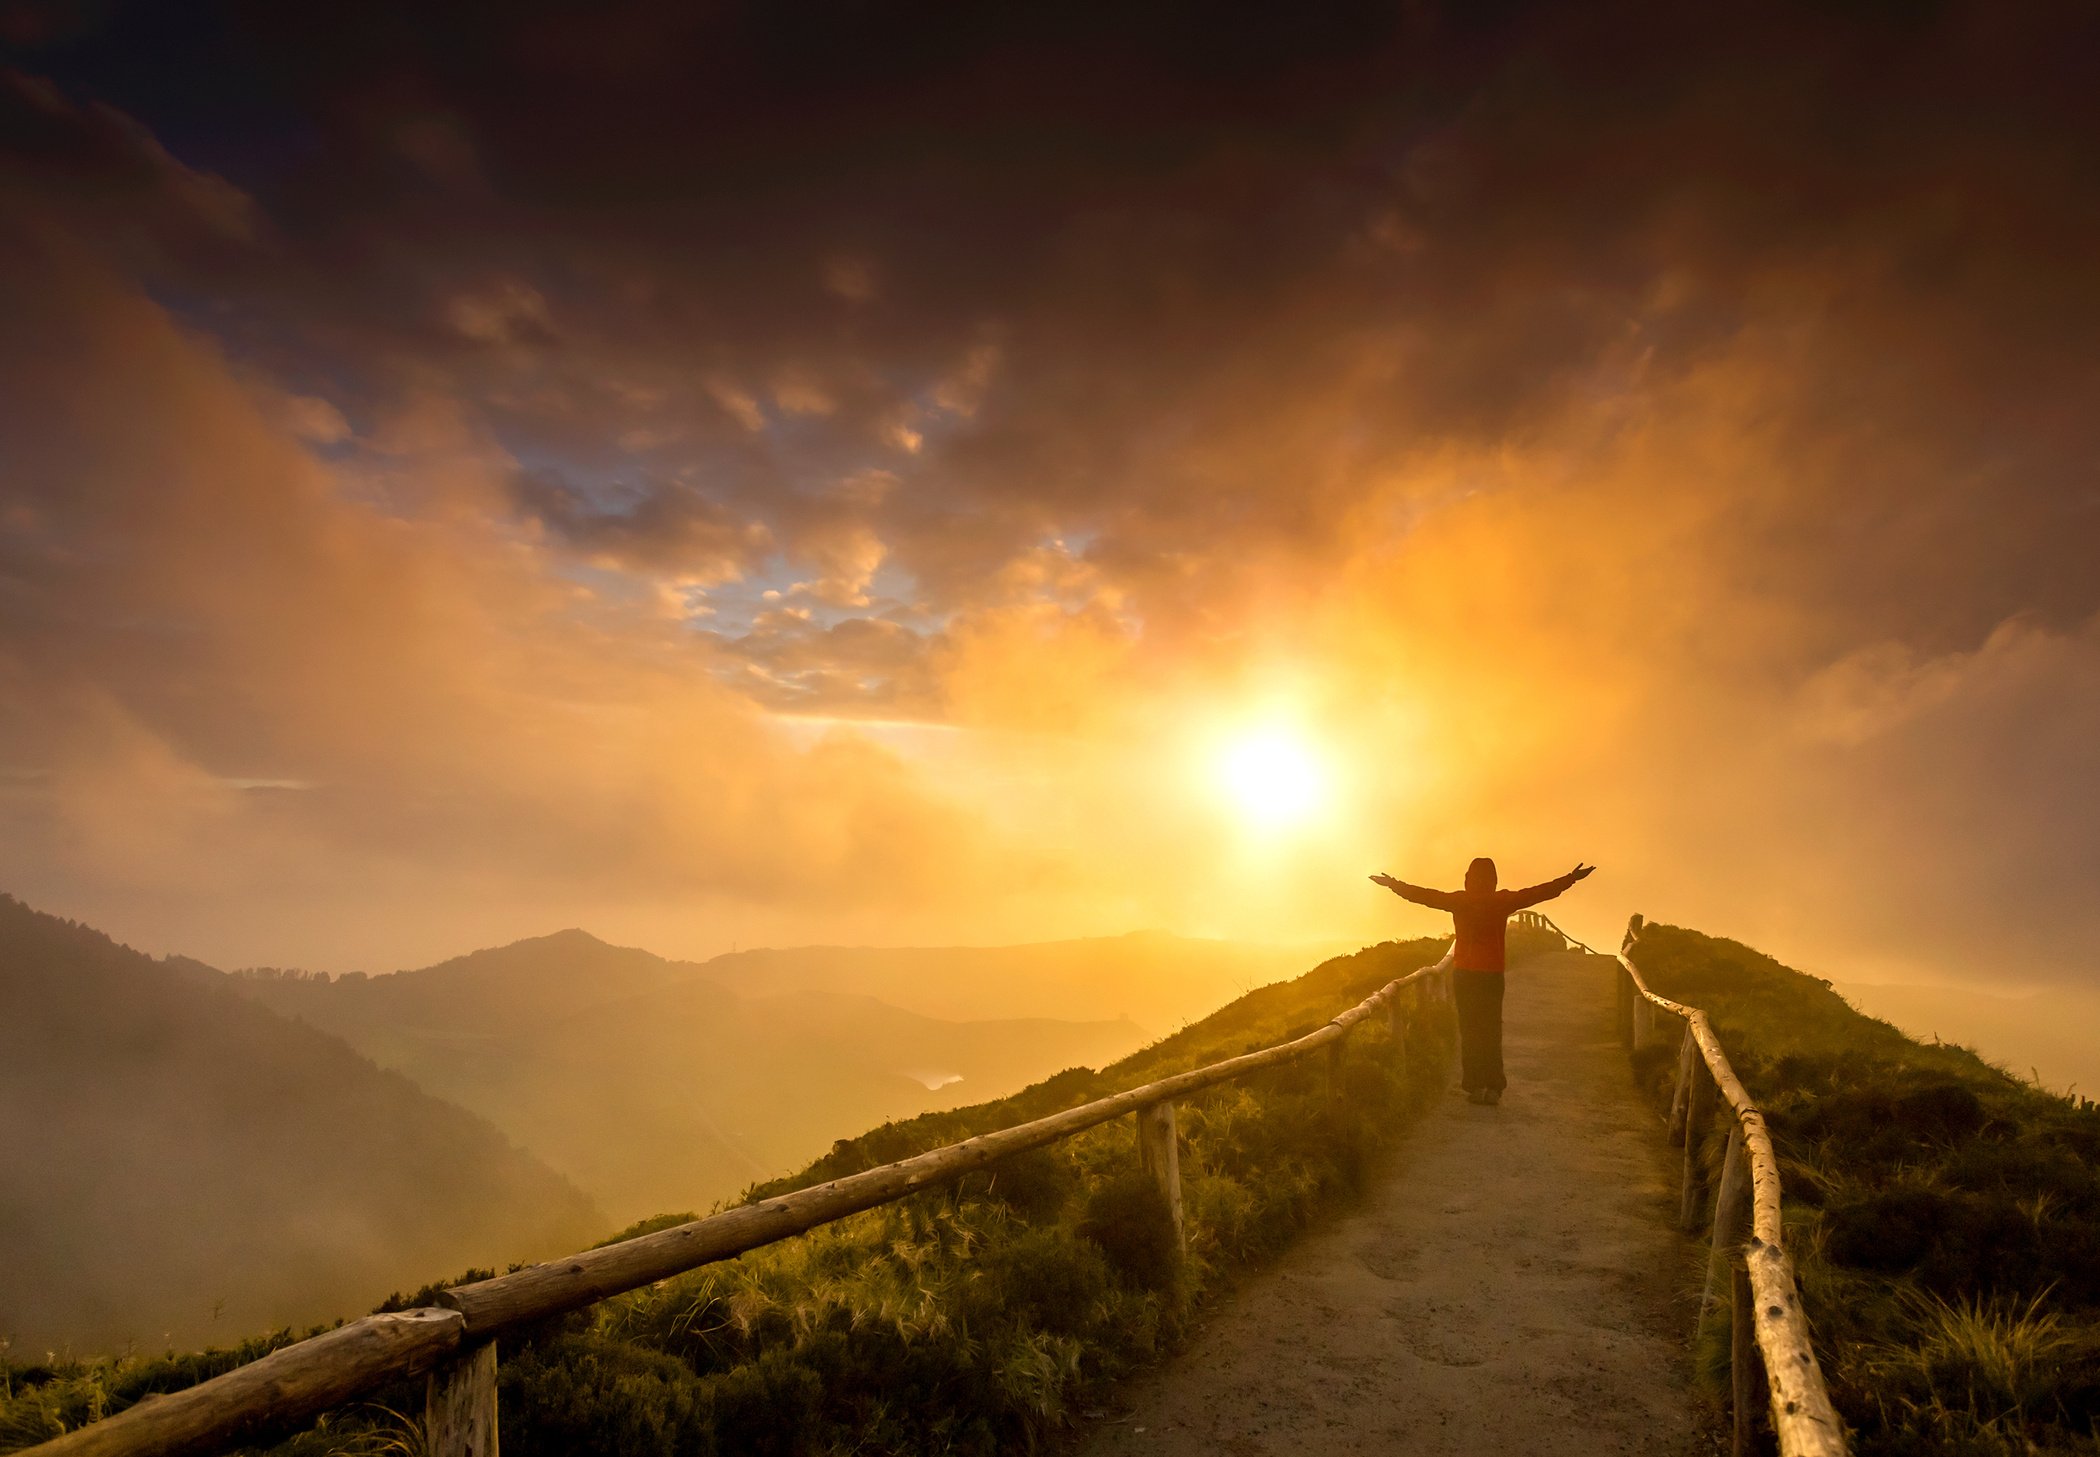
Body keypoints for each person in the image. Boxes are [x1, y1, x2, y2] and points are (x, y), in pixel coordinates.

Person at [1369, 859, 1595, 1105]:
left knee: (1470, 1031)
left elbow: (1424, 895)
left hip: (1465, 974)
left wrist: (1393, 884)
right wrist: (1570, 878)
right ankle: (1494, 1087)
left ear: (1468, 878)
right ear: (1493, 880)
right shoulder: (1502, 901)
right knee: (1491, 1031)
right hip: (1492, 975)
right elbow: (1538, 893)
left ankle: (1475, 1086)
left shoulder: (1460, 901)